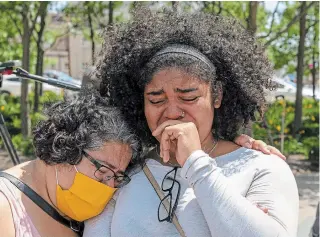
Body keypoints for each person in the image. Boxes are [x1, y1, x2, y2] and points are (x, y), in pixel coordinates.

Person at [84, 9, 299, 237]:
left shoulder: (262, 167)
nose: (173, 112)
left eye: (188, 97)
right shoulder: (122, 175)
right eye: (156, 99)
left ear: (216, 96)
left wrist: (196, 163)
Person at [0, 92, 141, 237]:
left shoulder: (81, 217)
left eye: (117, 178)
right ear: (66, 149)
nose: (110, 187)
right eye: (103, 171)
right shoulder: (5, 206)